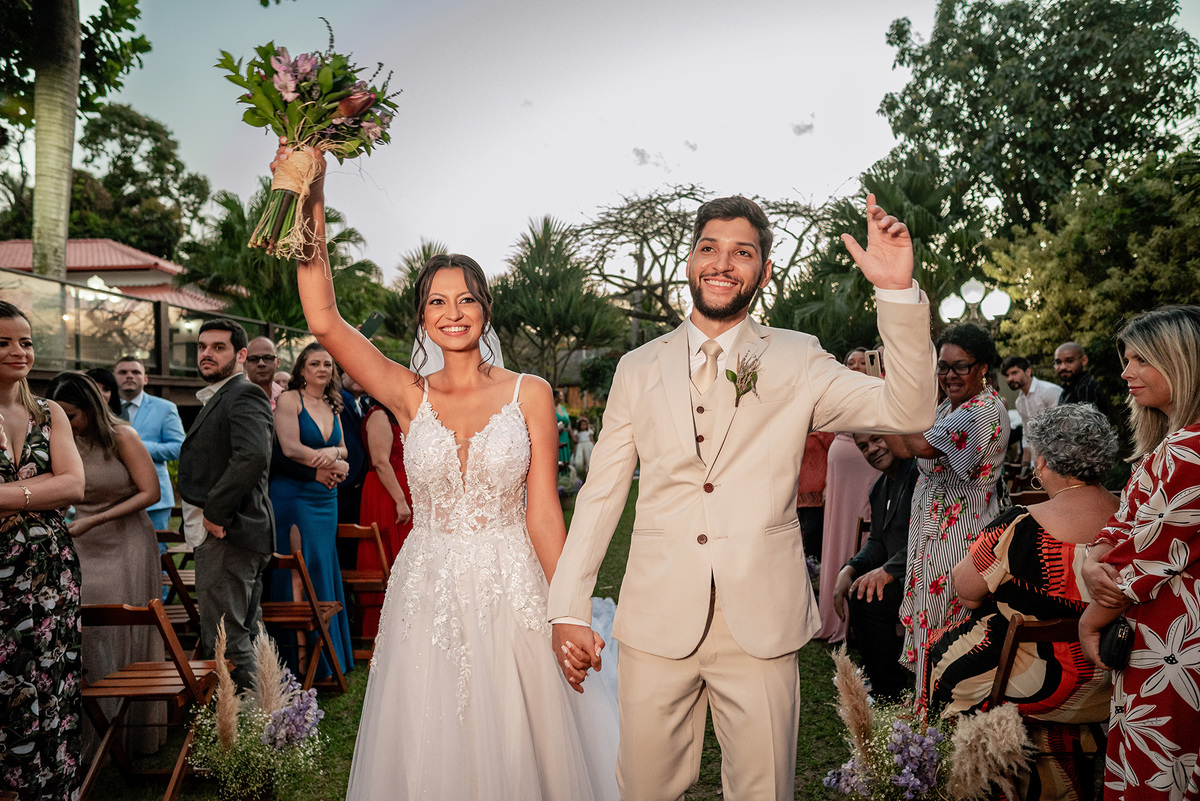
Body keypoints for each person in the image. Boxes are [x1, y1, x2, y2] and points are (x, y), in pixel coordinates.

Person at [550, 192, 938, 800]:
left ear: (765, 270)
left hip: (761, 619)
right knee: (643, 791)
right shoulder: (636, 368)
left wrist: (896, 294)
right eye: (709, 248)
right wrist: (568, 607)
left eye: (742, 252)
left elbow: (908, 408)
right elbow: (599, 497)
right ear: (689, 260)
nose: (722, 263)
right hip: (655, 618)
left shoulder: (797, 357)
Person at [277, 142, 619, 800]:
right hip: (427, 585)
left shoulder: (532, 393)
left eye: (465, 299)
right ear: (423, 318)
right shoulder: (409, 393)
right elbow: (323, 317)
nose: (453, 311)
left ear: (485, 308)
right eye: (438, 301)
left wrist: (568, 608)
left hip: (513, 581)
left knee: (522, 738)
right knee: (432, 739)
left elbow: (545, 511)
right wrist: (309, 190)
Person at [925, 403, 1117, 798]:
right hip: (1107, 681)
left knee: (942, 657)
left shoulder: (1020, 525)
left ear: (1043, 460)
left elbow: (966, 590)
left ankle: (970, 784)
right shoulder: (1131, 518)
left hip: (1035, 679)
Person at [1079, 306, 1200, 800]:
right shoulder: (1171, 445)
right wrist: (1094, 556)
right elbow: (1123, 526)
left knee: (1160, 773)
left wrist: (1089, 620)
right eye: (1125, 359)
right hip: (1163, 633)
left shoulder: (1189, 451)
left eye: (1140, 360)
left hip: (1175, 639)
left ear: (1182, 360)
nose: (1126, 372)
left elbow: (1144, 557)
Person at [44, 371, 167, 758]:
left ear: (91, 409)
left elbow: (152, 491)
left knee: (119, 625)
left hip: (126, 538)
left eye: (72, 415)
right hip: (82, 542)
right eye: (58, 415)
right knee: (87, 629)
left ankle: (131, 733)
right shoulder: (59, 441)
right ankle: (90, 731)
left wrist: (94, 519)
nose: (66, 422)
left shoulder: (122, 437)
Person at [886, 322, 1009, 695]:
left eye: (961, 366)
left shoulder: (983, 410)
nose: (949, 375)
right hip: (931, 537)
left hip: (959, 540)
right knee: (928, 629)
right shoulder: (947, 406)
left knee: (945, 633)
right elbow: (903, 448)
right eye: (943, 366)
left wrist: (891, 394)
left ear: (983, 367)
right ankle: (925, 727)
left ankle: (939, 727)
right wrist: (885, 402)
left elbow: (921, 447)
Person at [0, 301, 86, 801]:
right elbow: (59, 482)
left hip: (51, 575)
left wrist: (10, 497)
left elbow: (74, 485)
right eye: (5, 342)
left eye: (26, 342)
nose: (19, 351)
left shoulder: (49, 412)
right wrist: (40, 490)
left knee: (49, 681)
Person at [177, 319, 275, 691]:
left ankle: (251, 731)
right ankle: (270, 724)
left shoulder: (244, 393)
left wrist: (215, 514)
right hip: (234, 534)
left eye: (218, 347)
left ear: (241, 355)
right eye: (202, 346)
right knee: (246, 633)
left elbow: (252, 457)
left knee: (228, 639)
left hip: (230, 532)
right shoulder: (221, 395)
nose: (206, 353)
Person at [269, 342, 353, 679]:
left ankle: (328, 659)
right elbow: (288, 447)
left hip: (325, 499)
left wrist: (333, 455)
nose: (322, 369)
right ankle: (297, 660)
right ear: (302, 369)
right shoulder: (290, 400)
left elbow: (345, 450)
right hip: (294, 496)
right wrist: (321, 460)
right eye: (315, 363)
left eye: (328, 364)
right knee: (297, 570)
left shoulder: (334, 403)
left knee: (323, 564)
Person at [831, 433, 918, 701]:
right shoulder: (879, 487)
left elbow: (925, 536)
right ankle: (881, 683)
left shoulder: (919, 474)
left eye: (877, 439)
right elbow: (878, 542)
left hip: (926, 577)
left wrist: (886, 571)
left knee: (868, 598)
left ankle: (888, 691)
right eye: (863, 447)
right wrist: (849, 569)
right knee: (862, 591)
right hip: (901, 580)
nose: (872, 450)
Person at [813, 348, 884, 643]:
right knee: (839, 530)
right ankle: (834, 614)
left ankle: (864, 612)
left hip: (870, 464)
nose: (855, 366)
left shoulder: (880, 389)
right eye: (849, 363)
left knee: (869, 526)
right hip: (842, 467)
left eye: (860, 362)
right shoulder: (837, 392)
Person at [357, 401, 412, 638]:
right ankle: (381, 628)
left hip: (399, 489)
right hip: (387, 493)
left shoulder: (396, 413)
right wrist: (400, 500)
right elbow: (380, 460)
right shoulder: (379, 415)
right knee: (390, 555)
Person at [114, 355, 185, 533]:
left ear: (145, 379)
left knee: (155, 556)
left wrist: (136, 447)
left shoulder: (165, 408)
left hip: (155, 501)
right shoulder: (104, 409)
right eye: (123, 372)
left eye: (136, 372)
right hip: (113, 499)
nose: (129, 376)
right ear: (114, 378)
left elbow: (179, 447)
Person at [1000, 355, 1062, 468]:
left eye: (1014, 373)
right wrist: (1025, 463)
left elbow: (1061, 428)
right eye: (1007, 375)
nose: (1009, 379)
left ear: (1028, 371)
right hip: (1038, 464)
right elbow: (1027, 433)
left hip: (1060, 458)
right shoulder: (1019, 401)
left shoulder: (1048, 391)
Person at [336, 368, 371, 526]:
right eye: (353, 369)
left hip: (361, 490)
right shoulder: (336, 401)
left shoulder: (365, 404)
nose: (358, 375)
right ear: (342, 373)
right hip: (341, 486)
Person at [796, 431, 835, 561]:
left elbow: (834, 452)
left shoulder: (822, 430)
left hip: (818, 496)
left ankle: (817, 572)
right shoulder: (792, 427)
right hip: (795, 495)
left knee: (813, 537)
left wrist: (829, 484)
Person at [1054, 341, 1111, 418]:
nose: (1063, 367)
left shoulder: (1086, 387)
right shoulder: (1068, 388)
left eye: (1069, 361)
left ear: (1084, 360)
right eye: (1058, 362)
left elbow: (1089, 426)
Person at [244, 336, 283, 409]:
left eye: (268, 358)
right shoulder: (235, 397)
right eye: (253, 359)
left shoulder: (284, 395)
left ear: (278, 362)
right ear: (244, 364)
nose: (261, 363)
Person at [555, 388, 573, 466]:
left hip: (565, 435)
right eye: (560, 396)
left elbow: (568, 421)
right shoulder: (550, 407)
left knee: (566, 457)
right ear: (555, 397)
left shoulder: (562, 407)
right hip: (557, 435)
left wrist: (569, 428)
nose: (562, 398)